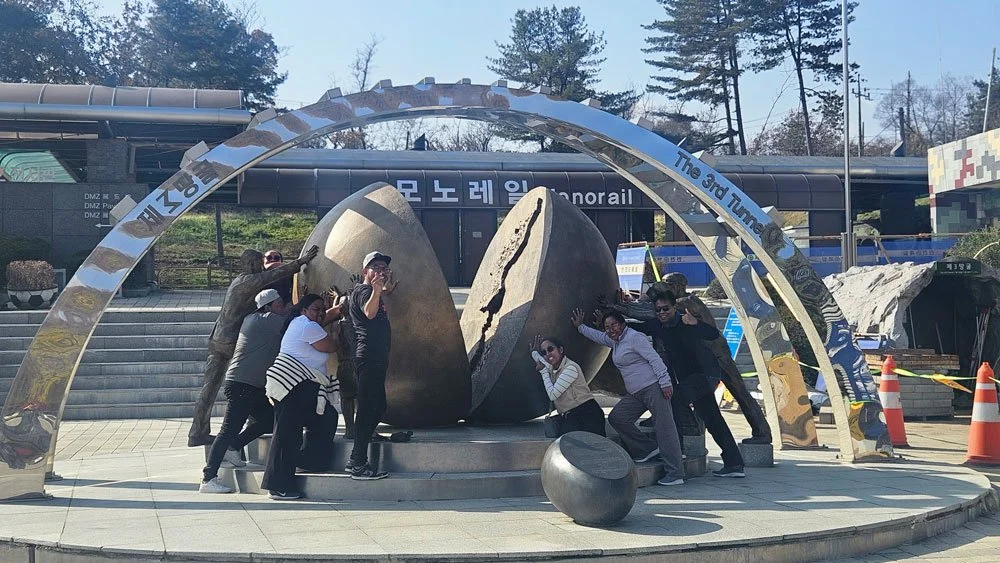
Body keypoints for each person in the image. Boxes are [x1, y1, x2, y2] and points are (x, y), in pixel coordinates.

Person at [615, 272, 772, 445]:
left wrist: (618, 308)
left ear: (679, 286)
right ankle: (692, 425)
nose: (666, 288)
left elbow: (648, 312)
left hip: (717, 355)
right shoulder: (675, 304)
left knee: (739, 392)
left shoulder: (689, 302)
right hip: (702, 360)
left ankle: (762, 432)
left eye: (669, 284)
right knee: (697, 397)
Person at [188, 245, 318, 447]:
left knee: (210, 388)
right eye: (259, 264)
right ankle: (247, 424)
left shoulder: (239, 281)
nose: (261, 268)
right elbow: (272, 275)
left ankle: (198, 432)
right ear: (250, 264)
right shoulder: (247, 281)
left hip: (219, 338)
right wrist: (301, 262)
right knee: (247, 380)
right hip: (232, 341)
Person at [633, 292, 746, 478]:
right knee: (712, 419)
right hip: (692, 380)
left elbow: (713, 334)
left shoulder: (686, 322)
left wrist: (696, 323)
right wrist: (610, 322)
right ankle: (734, 464)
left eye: (665, 309)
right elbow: (638, 327)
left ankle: (676, 450)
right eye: (658, 310)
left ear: (674, 308)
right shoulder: (658, 325)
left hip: (705, 375)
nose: (662, 313)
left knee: (674, 401)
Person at [573, 308, 685, 486]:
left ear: (622, 323)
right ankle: (647, 449)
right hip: (636, 393)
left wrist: (665, 382)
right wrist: (580, 327)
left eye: (614, 325)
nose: (611, 329)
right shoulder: (616, 341)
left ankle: (675, 473)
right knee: (618, 418)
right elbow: (599, 337)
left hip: (653, 388)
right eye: (607, 327)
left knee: (665, 428)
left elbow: (654, 359)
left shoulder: (634, 338)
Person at [199, 289, 286, 494]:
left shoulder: (253, 318)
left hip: (251, 385)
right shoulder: (267, 320)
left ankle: (235, 446)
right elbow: (295, 318)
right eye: (280, 304)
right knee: (227, 430)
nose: (283, 307)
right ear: (268, 307)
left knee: (268, 419)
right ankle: (208, 478)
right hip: (242, 384)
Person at [261, 293, 342, 500]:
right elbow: (331, 346)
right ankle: (278, 486)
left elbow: (325, 318)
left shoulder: (303, 323)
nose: (321, 313)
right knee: (287, 435)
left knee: (326, 417)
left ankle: (309, 461)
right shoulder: (308, 326)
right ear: (304, 310)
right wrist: (335, 330)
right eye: (316, 309)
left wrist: (335, 309)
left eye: (322, 310)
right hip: (291, 385)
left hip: (302, 386)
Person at [346, 251, 395, 481]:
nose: (381, 271)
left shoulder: (368, 291)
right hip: (368, 357)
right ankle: (357, 462)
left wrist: (384, 290)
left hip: (376, 357)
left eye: (384, 267)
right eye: (376, 267)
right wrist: (377, 290)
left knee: (378, 406)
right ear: (365, 271)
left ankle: (362, 444)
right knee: (367, 409)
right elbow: (369, 312)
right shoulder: (364, 291)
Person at [530, 335, 606, 437]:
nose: (548, 354)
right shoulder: (553, 368)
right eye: (544, 352)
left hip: (587, 415)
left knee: (593, 445)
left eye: (550, 349)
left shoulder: (570, 368)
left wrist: (543, 372)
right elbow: (541, 361)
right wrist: (534, 353)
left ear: (560, 350)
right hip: (570, 416)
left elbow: (553, 395)